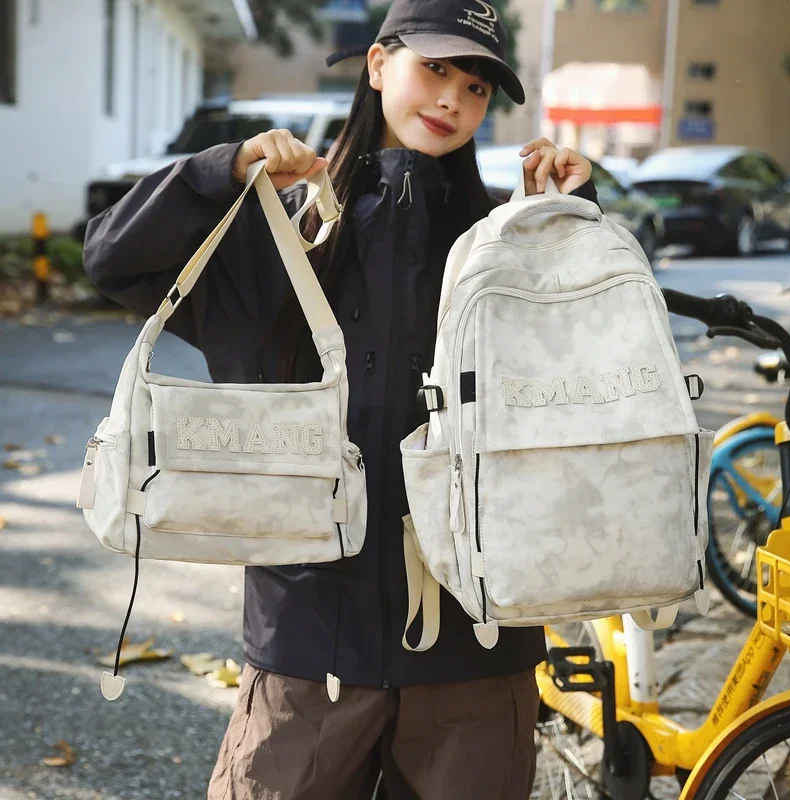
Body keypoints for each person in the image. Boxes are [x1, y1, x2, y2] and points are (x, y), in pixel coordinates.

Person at [82, 1, 596, 797]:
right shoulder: (283, 234)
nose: (453, 99)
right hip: (306, 655)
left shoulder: (499, 244)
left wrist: (564, 220)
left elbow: (587, 364)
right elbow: (113, 255)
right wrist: (225, 168)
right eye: (436, 69)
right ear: (378, 63)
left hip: (478, 658)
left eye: (476, 86)